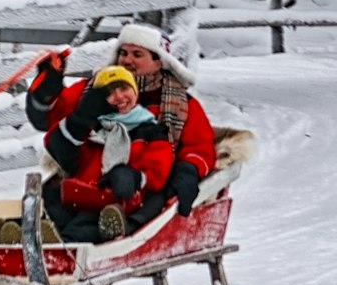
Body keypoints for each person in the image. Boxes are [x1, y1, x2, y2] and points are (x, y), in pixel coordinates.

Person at [26, 22, 216, 230]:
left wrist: (187, 171)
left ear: (159, 61)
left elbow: (199, 148)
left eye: (137, 54)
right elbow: (50, 121)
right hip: (86, 180)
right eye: (123, 53)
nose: (127, 60)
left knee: (87, 222)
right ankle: (31, 232)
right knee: (53, 203)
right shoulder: (93, 90)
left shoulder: (181, 104)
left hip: (140, 190)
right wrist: (47, 89)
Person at [38, 66, 174, 241]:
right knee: (50, 204)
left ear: (135, 91)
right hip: (80, 194)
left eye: (124, 89)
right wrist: (79, 119)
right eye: (109, 93)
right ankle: (27, 234)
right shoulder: (95, 127)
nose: (118, 97)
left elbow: (159, 168)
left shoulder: (151, 129)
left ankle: (58, 245)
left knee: (84, 225)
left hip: (117, 203)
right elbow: (59, 148)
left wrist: (134, 176)